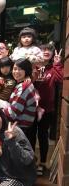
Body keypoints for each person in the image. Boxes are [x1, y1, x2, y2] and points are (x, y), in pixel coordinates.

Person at [30, 44, 64, 175]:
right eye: (43, 50)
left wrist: (57, 64)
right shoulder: (33, 67)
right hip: (31, 108)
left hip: (47, 109)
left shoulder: (52, 68)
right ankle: (32, 161)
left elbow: (61, 79)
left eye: (49, 50)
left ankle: (43, 162)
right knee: (31, 136)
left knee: (43, 136)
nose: (46, 52)